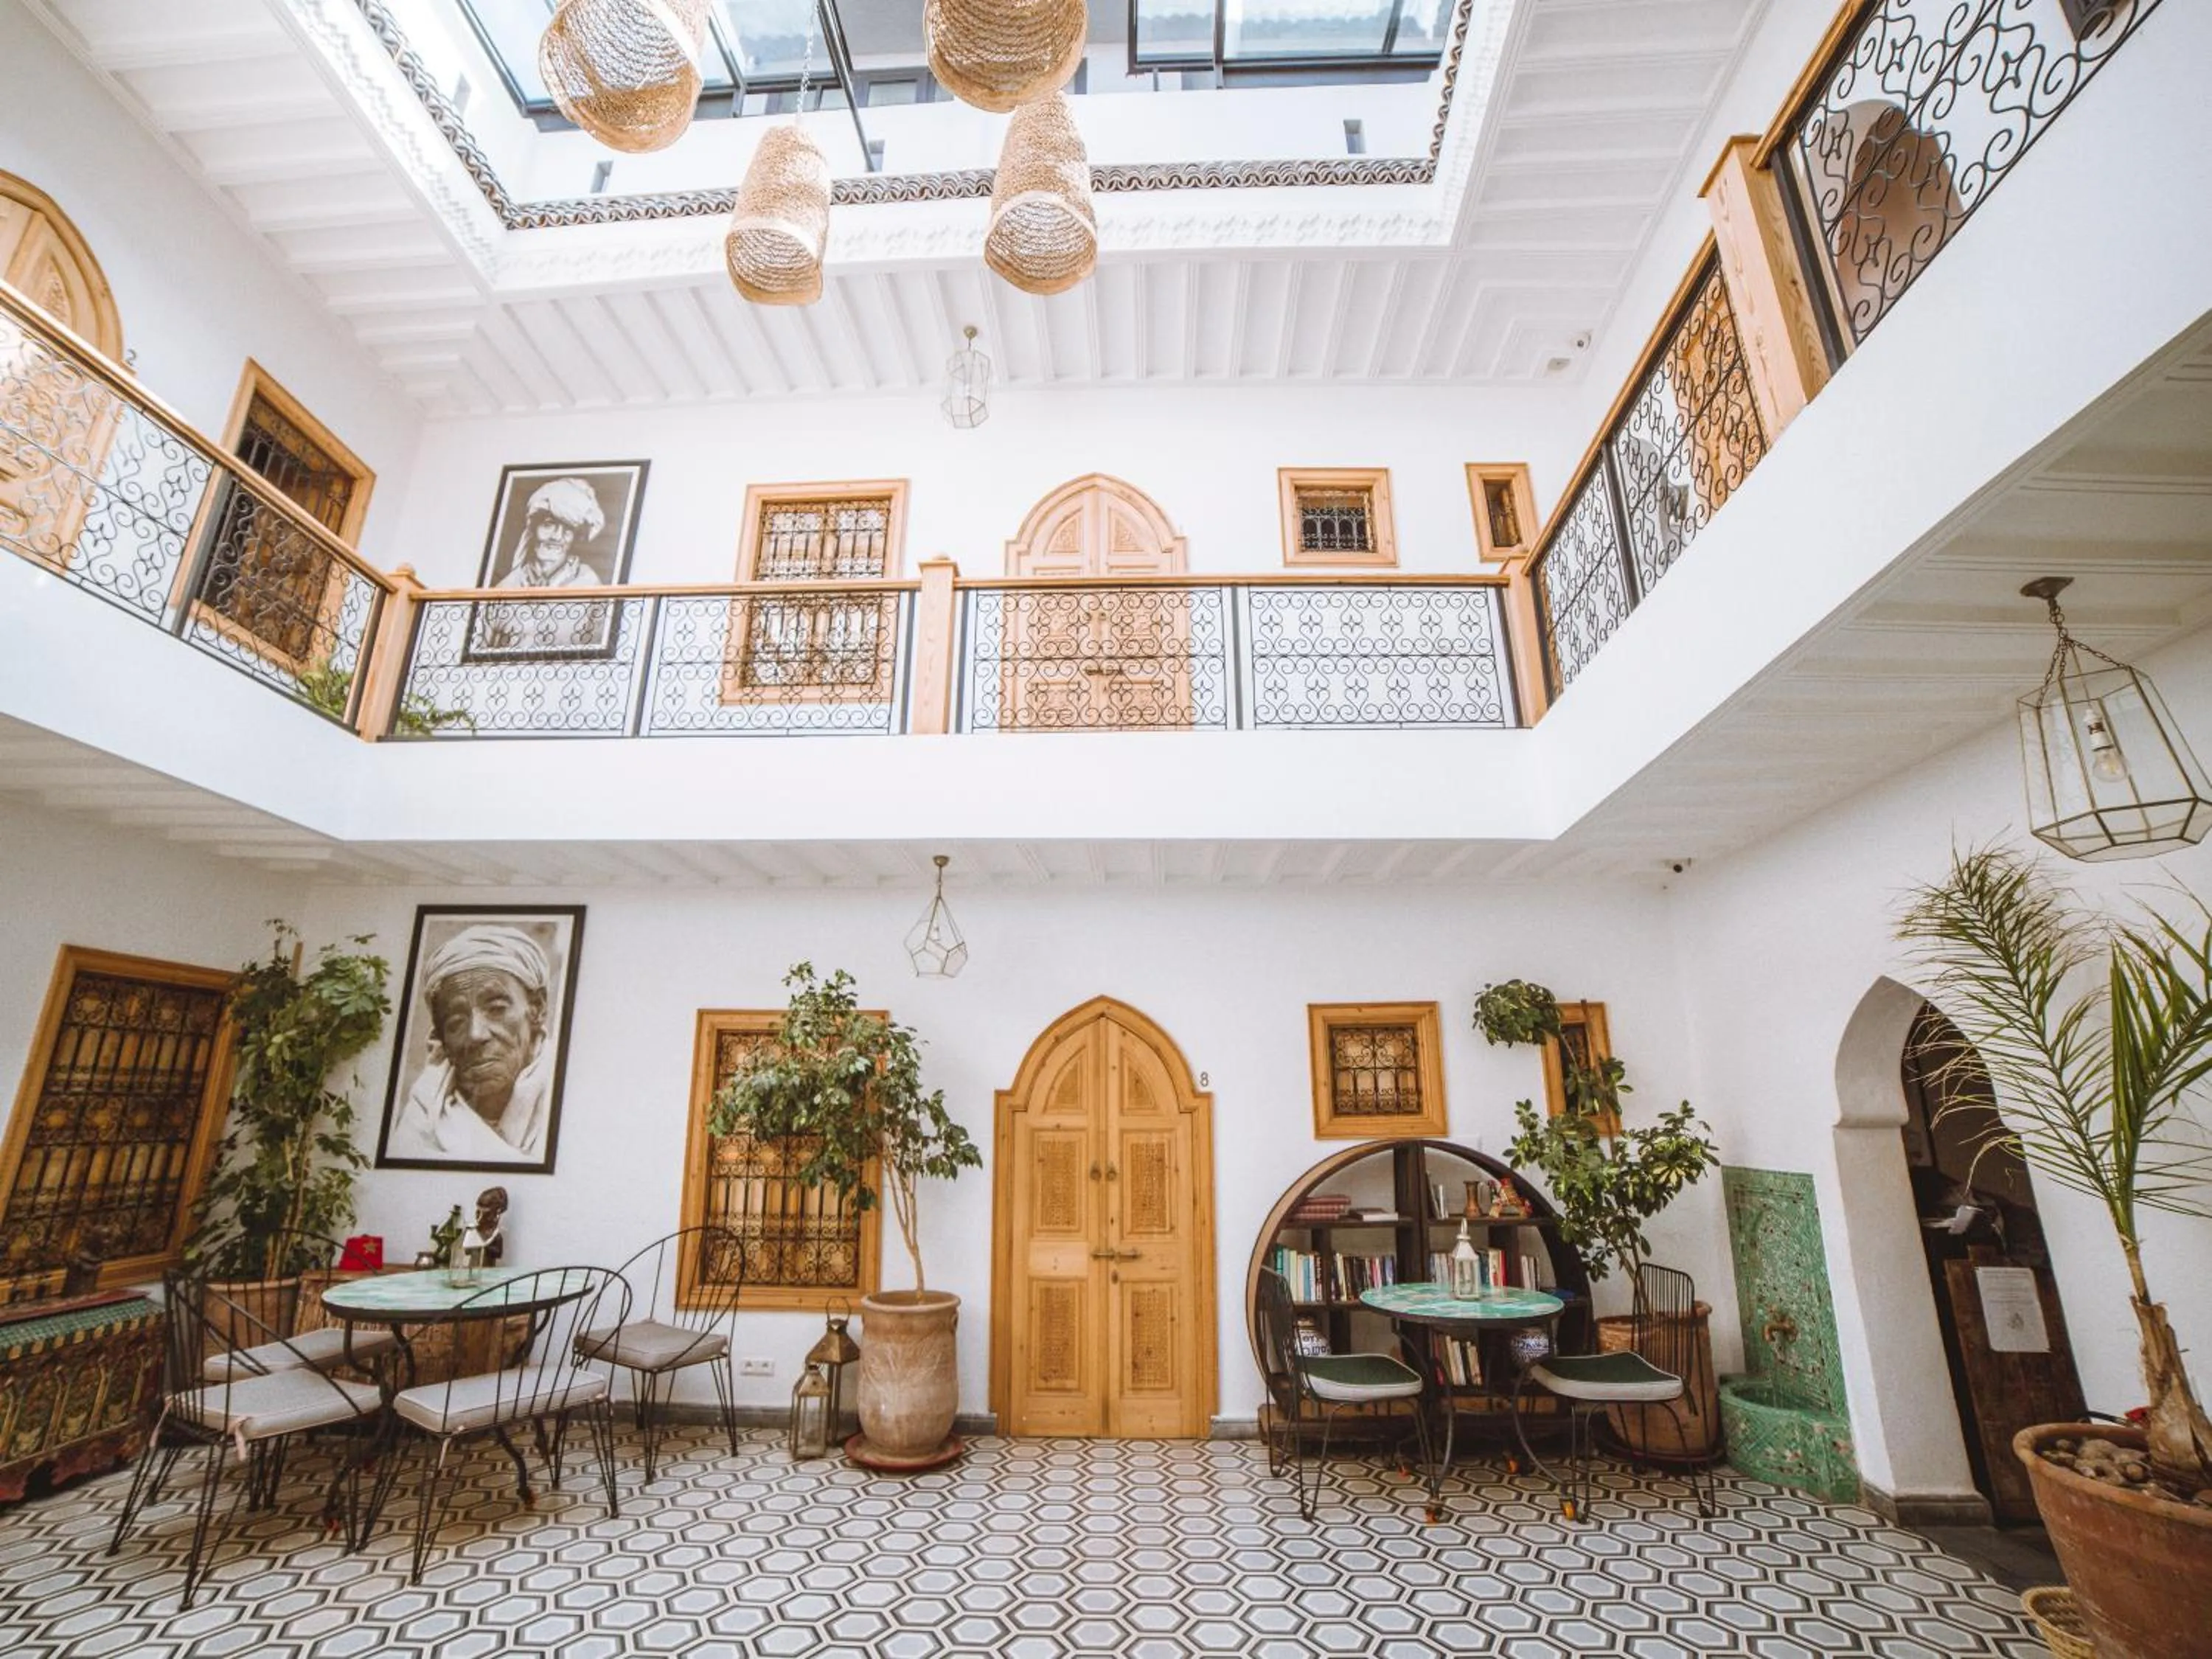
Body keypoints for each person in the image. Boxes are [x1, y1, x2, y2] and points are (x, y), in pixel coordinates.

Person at [387, 925, 559, 1163]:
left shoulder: (570, 1102)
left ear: (537, 1008)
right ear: (442, 1038)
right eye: (456, 1021)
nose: (475, 1034)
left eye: (496, 1009)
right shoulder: (421, 1123)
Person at [479, 476, 611, 654]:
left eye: (567, 530)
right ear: (533, 528)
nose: (556, 536)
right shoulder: (507, 587)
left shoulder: (589, 584)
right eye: (548, 525)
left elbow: (595, 652)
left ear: (576, 537)